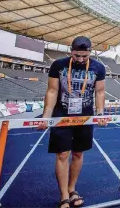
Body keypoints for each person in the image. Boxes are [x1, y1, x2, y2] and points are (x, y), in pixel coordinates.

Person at [37, 36, 107, 208]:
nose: (81, 59)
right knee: (62, 154)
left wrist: (100, 113)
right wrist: (46, 115)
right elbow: (52, 90)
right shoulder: (58, 65)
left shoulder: (98, 67)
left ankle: (72, 188)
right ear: (71, 51)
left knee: (78, 153)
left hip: (85, 115)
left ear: (90, 52)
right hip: (62, 114)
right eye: (77, 55)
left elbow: (100, 92)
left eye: (84, 56)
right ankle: (64, 195)